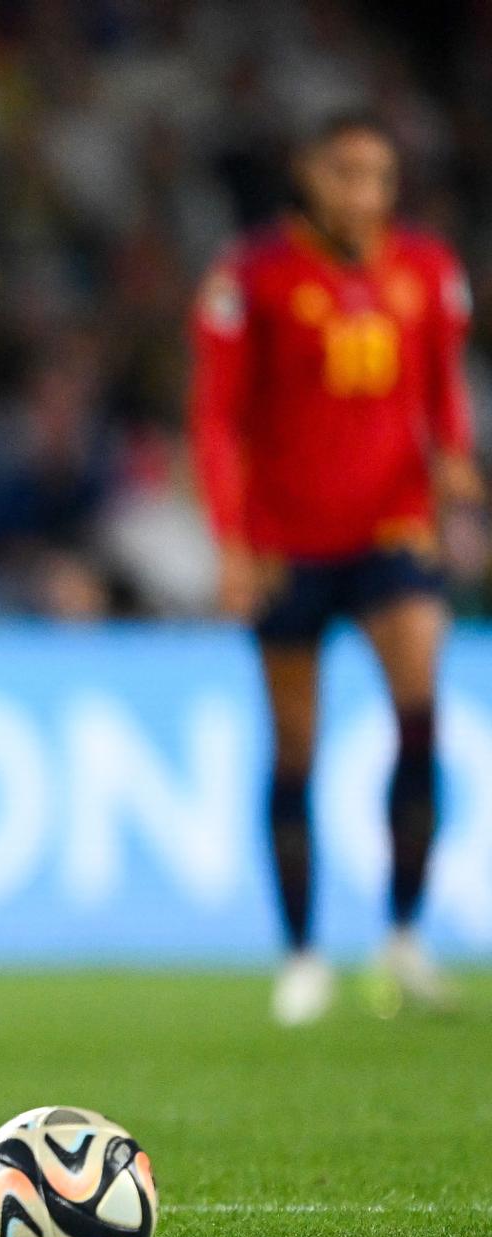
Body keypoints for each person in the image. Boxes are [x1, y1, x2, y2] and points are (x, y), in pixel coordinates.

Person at [190, 110, 484, 1026]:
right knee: (296, 746)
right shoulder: (253, 277)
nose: (364, 193)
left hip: (394, 533)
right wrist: (234, 544)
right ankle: (303, 954)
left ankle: (401, 938)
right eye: (347, 172)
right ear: (308, 173)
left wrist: (457, 477)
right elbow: (216, 419)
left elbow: (444, 393)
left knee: (419, 714)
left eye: (380, 176)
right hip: (287, 546)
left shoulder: (429, 270)